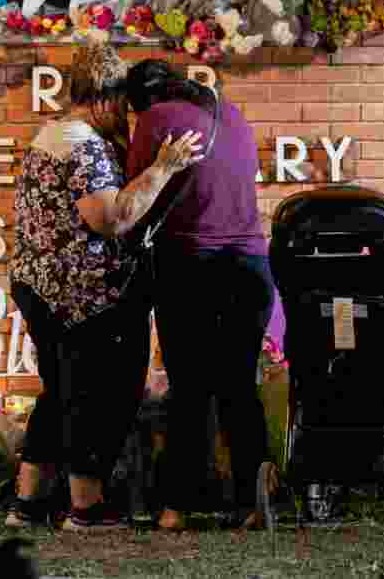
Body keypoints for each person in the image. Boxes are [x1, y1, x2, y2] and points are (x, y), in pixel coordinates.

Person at [5, 44, 203, 532]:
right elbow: (111, 217)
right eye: (122, 103)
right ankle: (87, 509)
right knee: (98, 395)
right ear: (103, 96)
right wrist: (164, 167)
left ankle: (27, 505)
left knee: (58, 394)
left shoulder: (50, 135)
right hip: (83, 295)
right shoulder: (84, 145)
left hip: (40, 287)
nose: (126, 114)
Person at [124, 59, 278, 531]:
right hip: (251, 267)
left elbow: (137, 198)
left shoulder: (154, 120)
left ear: (139, 101)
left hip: (191, 266)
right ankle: (256, 501)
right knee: (238, 385)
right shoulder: (231, 114)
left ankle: (176, 506)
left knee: (189, 388)